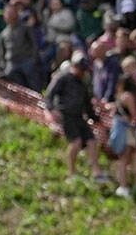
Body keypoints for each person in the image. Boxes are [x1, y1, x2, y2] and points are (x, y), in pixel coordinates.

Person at [43, 53, 100, 181]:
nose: (82, 72)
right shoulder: (63, 78)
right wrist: (51, 110)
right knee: (76, 142)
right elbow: (49, 95)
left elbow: (87, 104)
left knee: (92, 141)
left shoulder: (82, 84)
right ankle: (72, 173)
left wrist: (96, 119)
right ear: (74, 66)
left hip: (79, 116)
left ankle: (96, 173)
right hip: (66, 115)